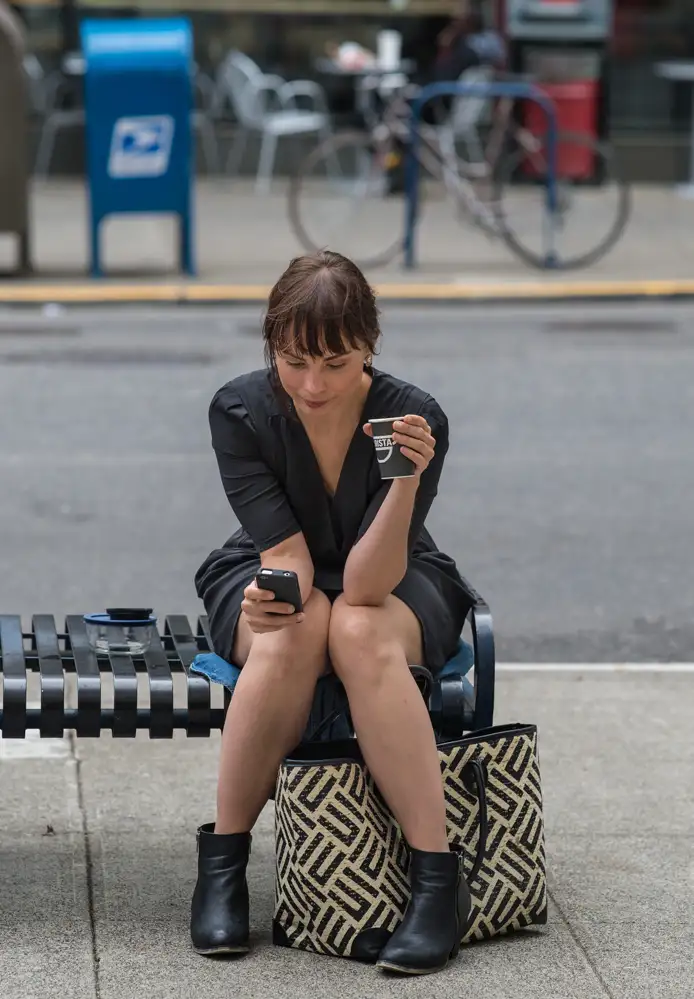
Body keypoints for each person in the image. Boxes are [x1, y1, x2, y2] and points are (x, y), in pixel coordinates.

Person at [190, 250, 474, 976]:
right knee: (294, 630)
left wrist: (404, 482)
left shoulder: (413, 417)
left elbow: (371, 585)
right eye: (294, 362)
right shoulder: (240, 410)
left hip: (394, 572)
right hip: (276, 560)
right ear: (271, 343)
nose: (313, 386)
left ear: (369, 345)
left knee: (355, 624)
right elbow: (286, 554)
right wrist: (268, 599)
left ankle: (437, 884)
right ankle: (223, 869)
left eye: (336, 364)